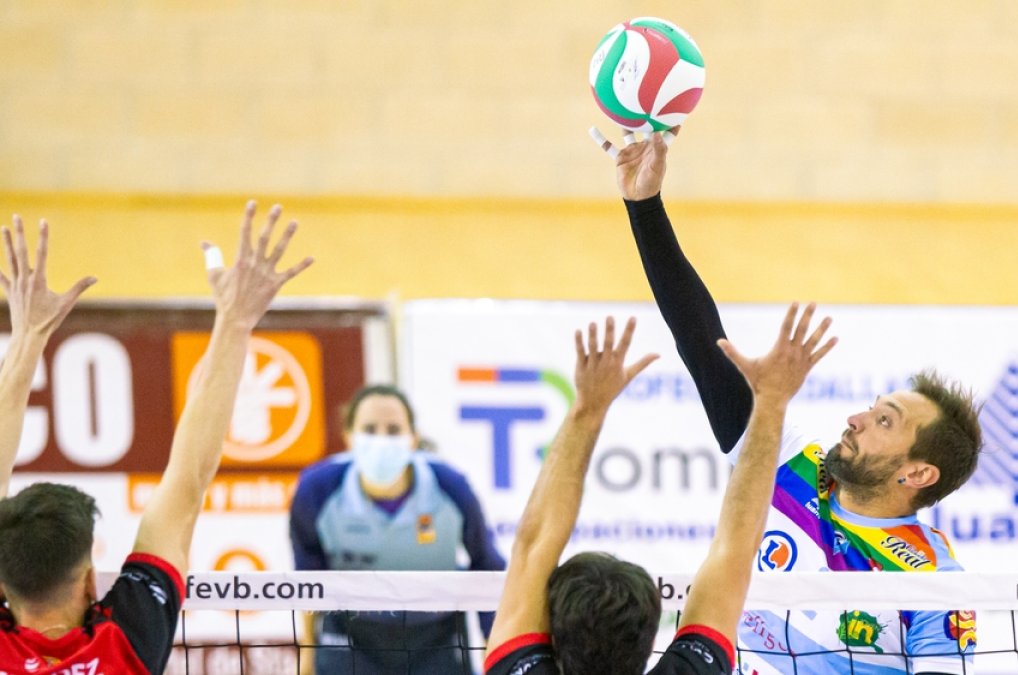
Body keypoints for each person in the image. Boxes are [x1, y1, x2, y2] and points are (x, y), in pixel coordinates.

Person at [592, 127, 983, 674]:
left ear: (918, 473)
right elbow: (702, 343)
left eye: (882, 421)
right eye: (871, 408)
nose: (855, 419)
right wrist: (645, 206)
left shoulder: (933, 582)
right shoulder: (789, 461)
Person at [0, 203, 312, 674]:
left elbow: (186, 485)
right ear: (91, 581)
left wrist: (25, 337)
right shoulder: (128, 640)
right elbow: (187, 481)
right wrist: (235, 321)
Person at [484, 307, 836, 675]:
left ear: (550, 633)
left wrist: (587, 410)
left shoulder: (516, 669)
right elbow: (735, 546)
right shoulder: (691, 670)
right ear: (653, 638)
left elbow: (533, 540)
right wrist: (771, 405)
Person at [289, 383, 506, 674]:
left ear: (412, 438)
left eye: (393, 430)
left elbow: (487, 566)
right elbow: (309, 578)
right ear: (349, 437)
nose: (381, 440)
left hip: (437, 637)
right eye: (369, 429)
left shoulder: (450, 487)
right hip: (350, 637)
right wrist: (306, 656)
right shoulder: (316, 490)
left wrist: (496, 647)